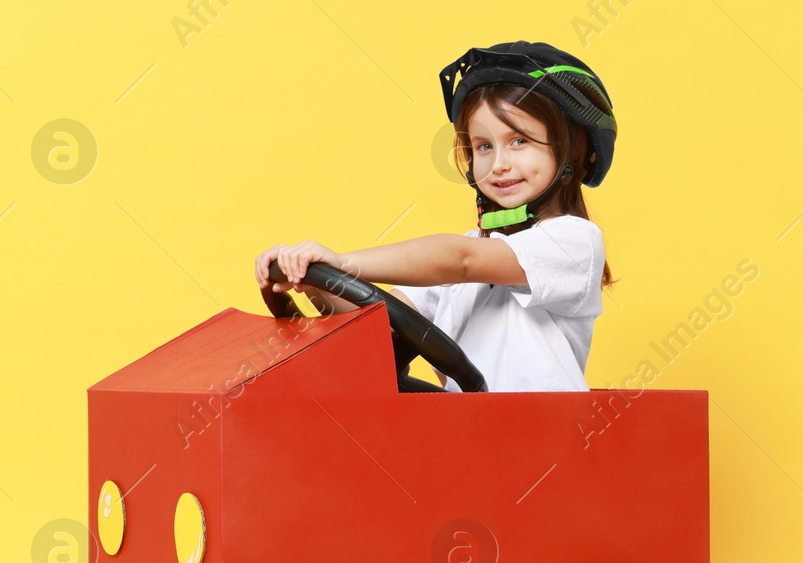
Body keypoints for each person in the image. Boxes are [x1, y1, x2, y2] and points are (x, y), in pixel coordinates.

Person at [254, 41, 616, 392]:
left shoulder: (573, 241)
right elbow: (372, 323)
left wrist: (343, 261)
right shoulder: (466, 259)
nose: (499, 164)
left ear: (573, 148)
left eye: (519, 140)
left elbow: (459, 260)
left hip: (545, 438)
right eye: (484, 146)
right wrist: (314, 279)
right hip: (467, 437)